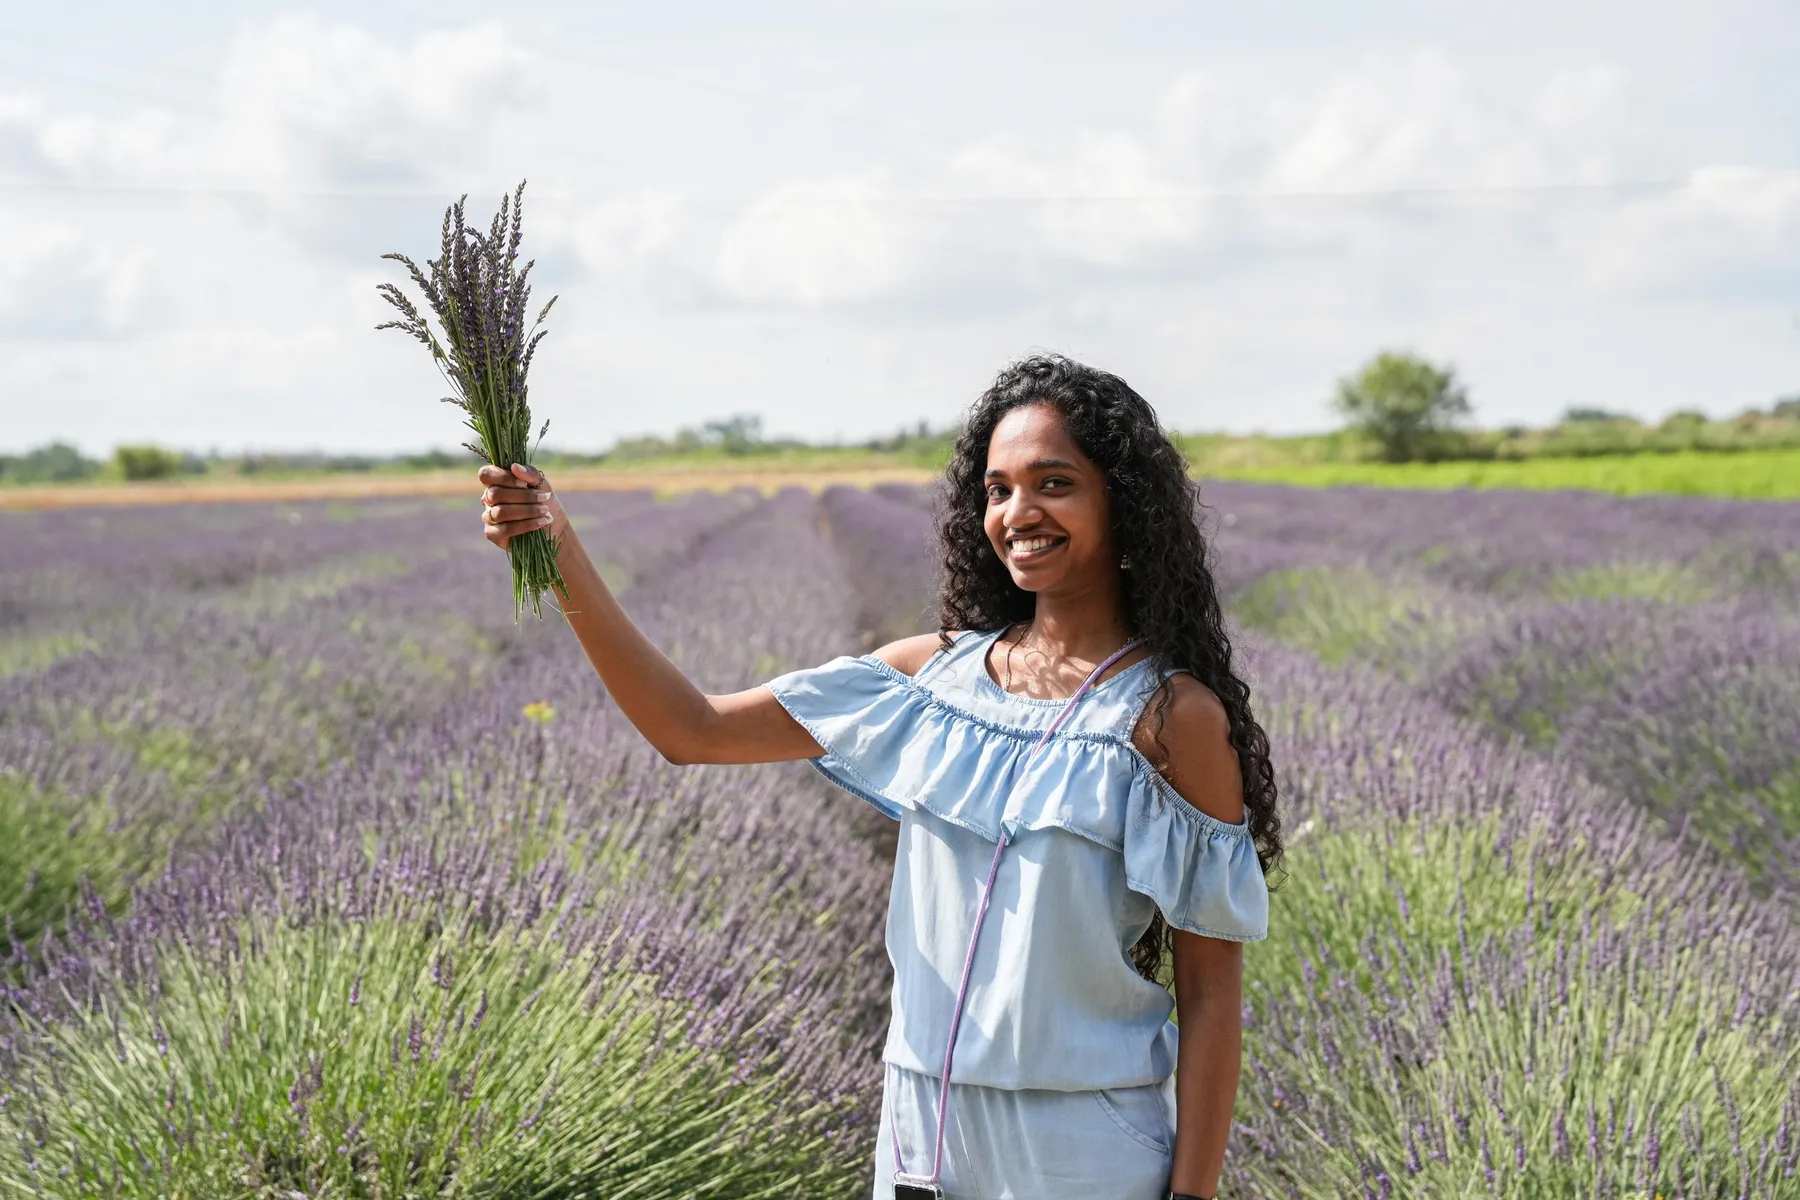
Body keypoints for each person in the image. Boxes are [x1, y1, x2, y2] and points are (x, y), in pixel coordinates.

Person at [475, 354, 1284, 1200]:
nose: (1019, 513)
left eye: (1055, 482)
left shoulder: (1168, 719)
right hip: (918, 1138)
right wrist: (557, 549)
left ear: (1125, 502)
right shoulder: (929, 682)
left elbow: (1209, 989)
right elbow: (691, 729)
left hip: (1081, 1146)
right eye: (998, 489)